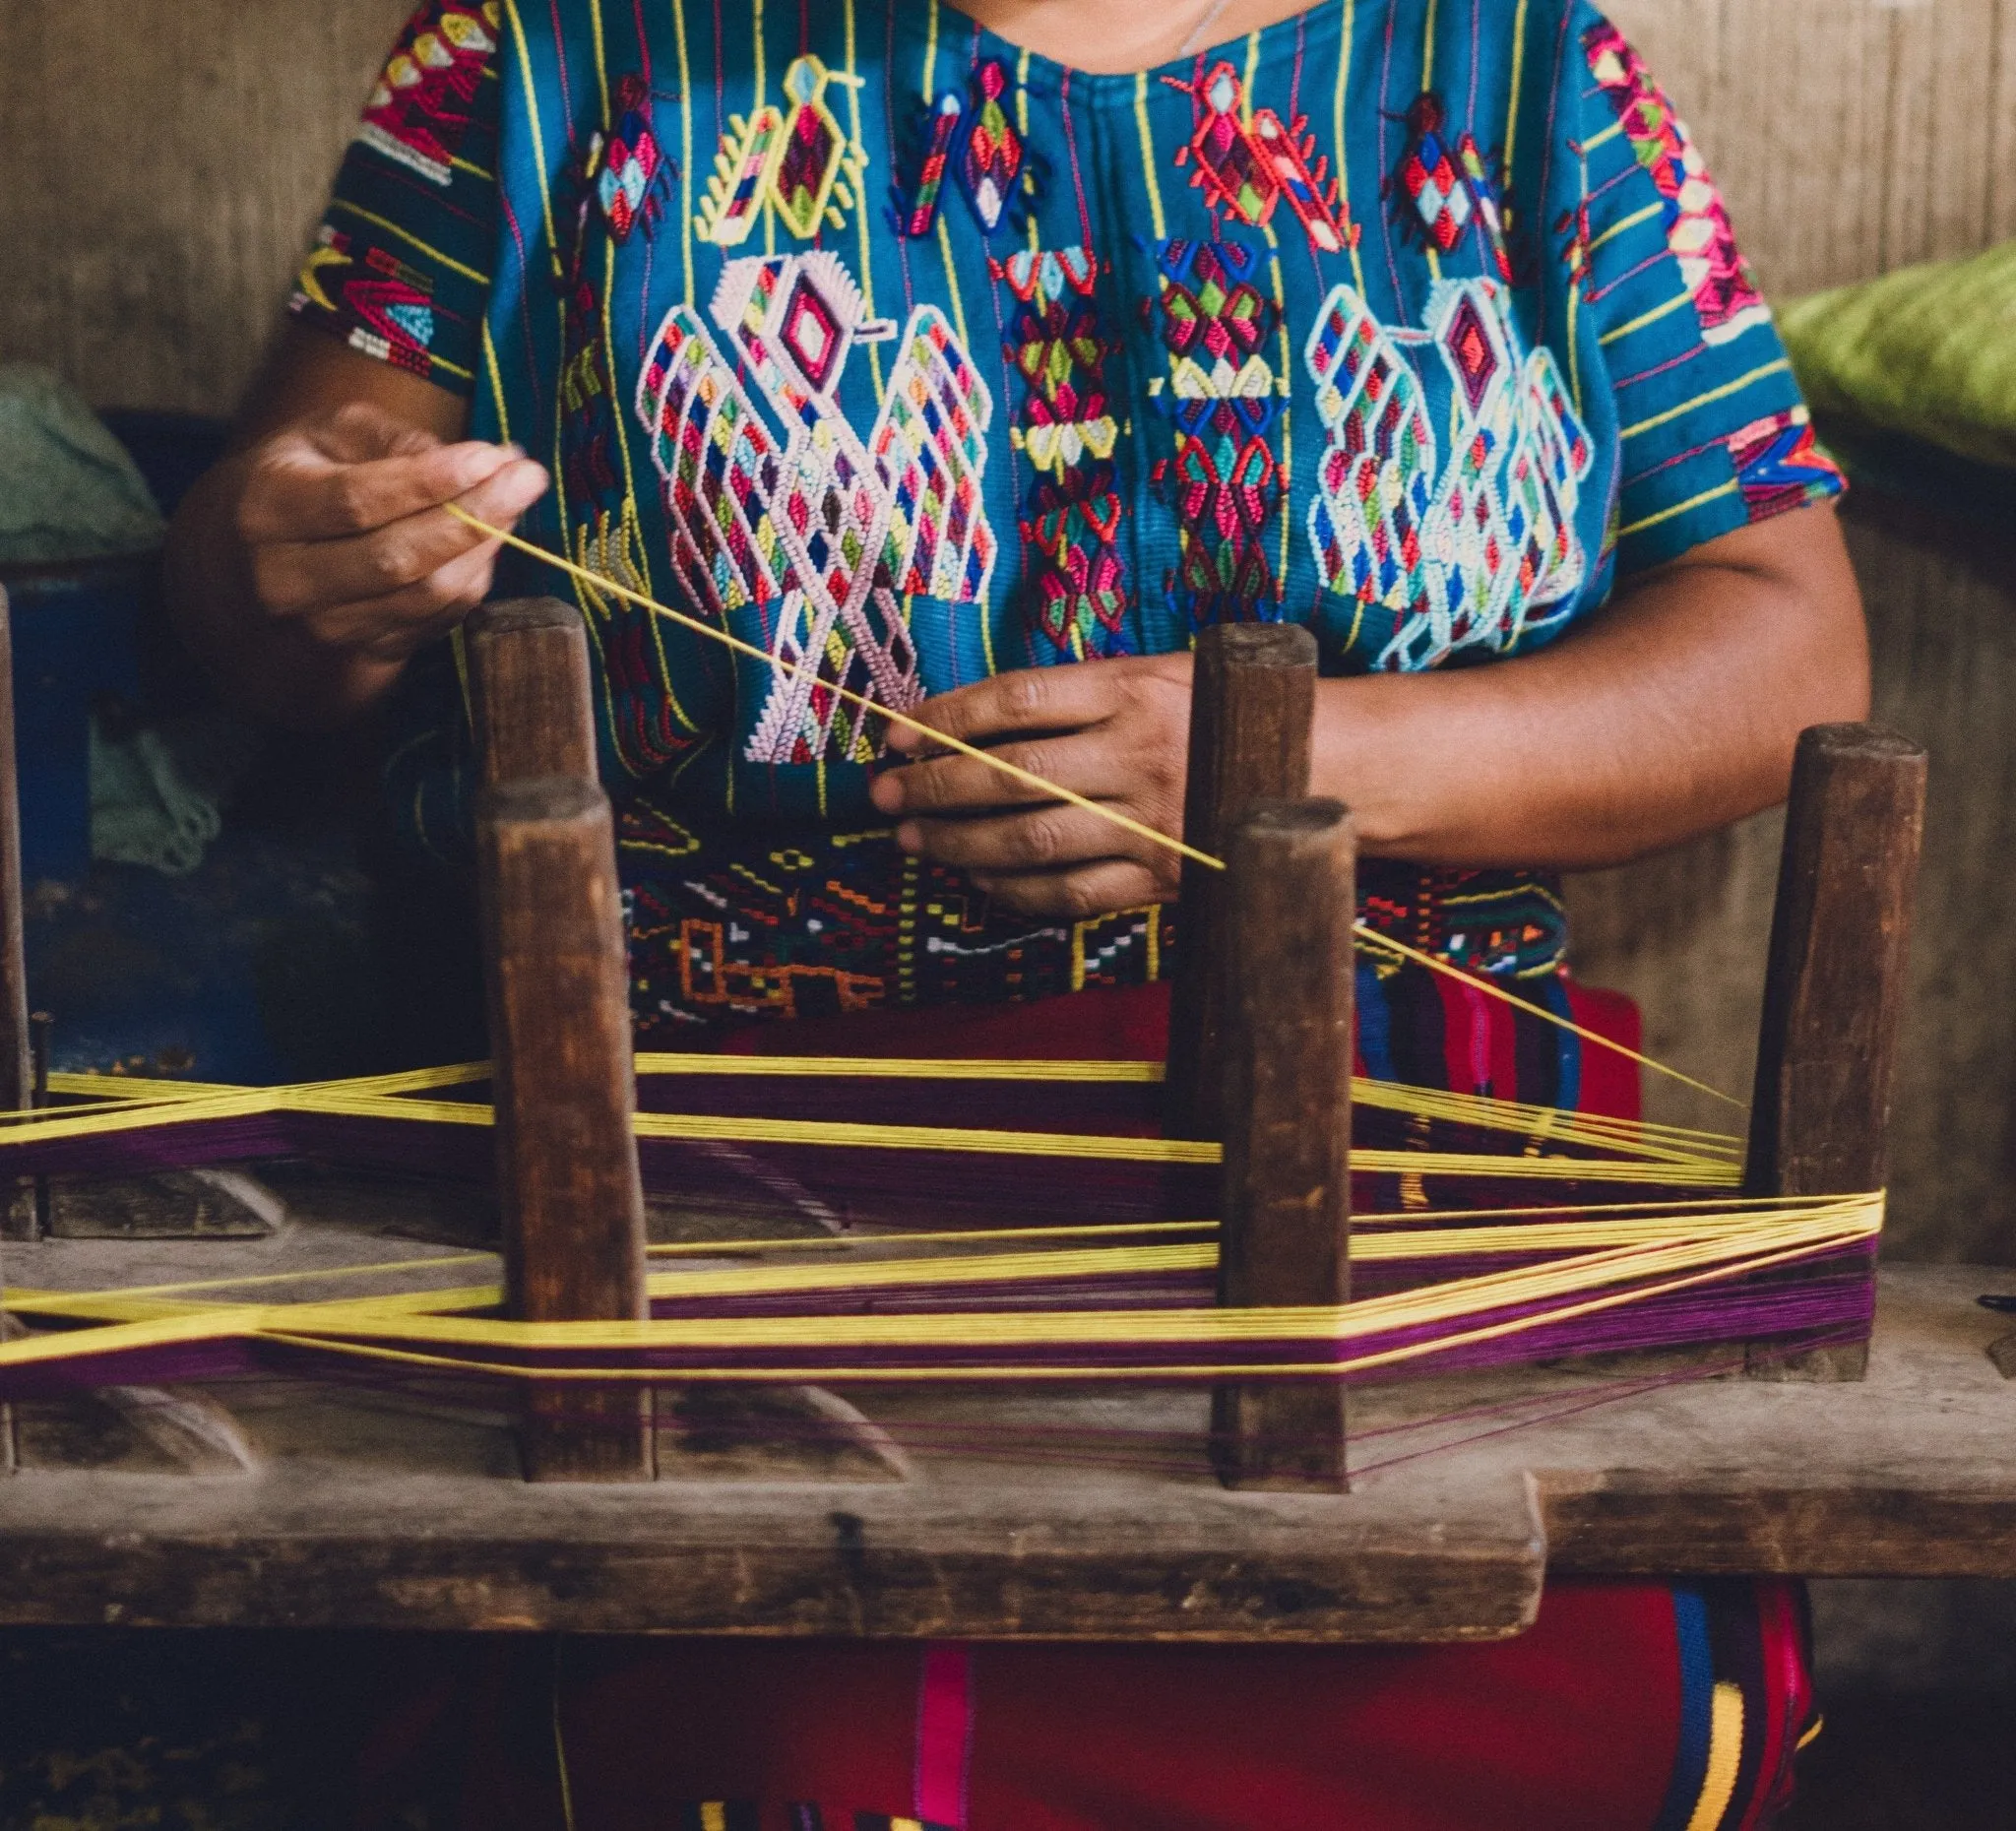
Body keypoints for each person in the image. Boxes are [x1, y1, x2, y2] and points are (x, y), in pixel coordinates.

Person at [166, 0, 1867, 1823]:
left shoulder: (1513, 61)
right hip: (745, 1216)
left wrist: (1304, 763)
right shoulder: (555, 53)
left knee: (1574, 1700)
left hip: (1403, 1181)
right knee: (815, 1739)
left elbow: (1783, 638)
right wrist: (306, 559)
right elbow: (240, 618)